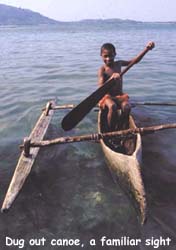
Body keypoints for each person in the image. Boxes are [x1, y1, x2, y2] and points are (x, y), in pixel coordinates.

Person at [98, 41, 154, 131]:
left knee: (127, 107)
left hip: (120, 96)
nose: (108, 59)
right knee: (112, 106)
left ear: (115, 54)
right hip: (107, 97)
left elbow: (134, 61)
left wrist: (146, 49)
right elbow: (100, 88)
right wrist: (111, 79)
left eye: (111, 56)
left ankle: (121, 128)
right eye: (105, 56)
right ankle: (110, 131)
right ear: (101, 55)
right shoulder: (102, 69)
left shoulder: (119, 63)